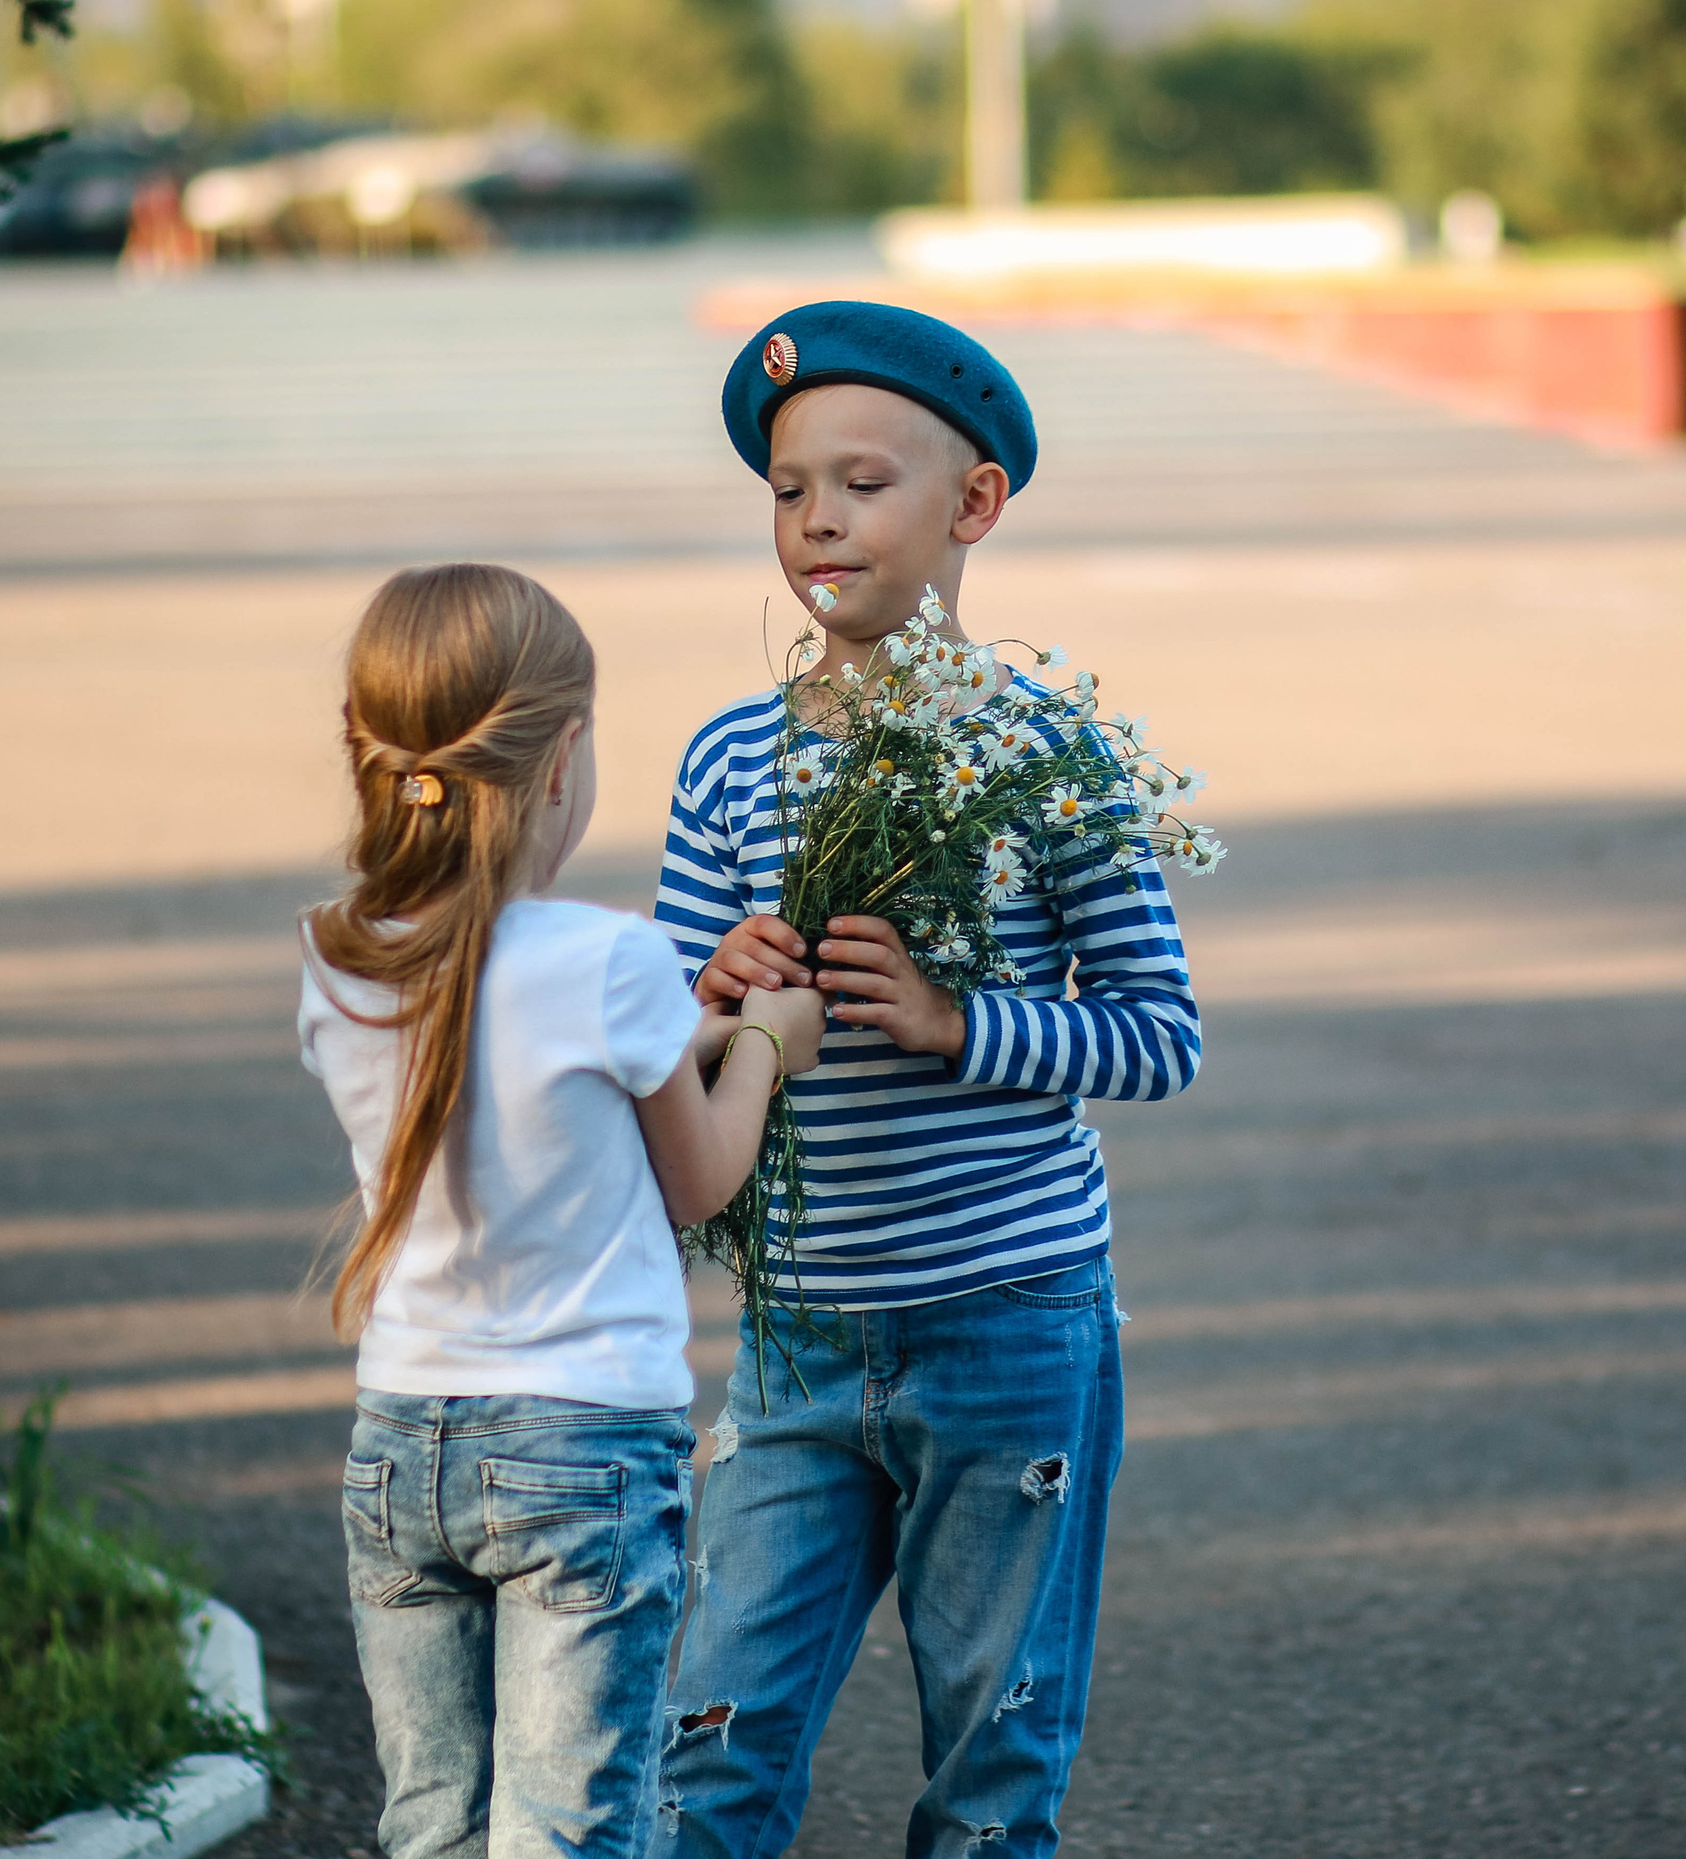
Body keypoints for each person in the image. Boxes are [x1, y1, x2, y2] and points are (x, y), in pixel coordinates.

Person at [651, 305, 1203, 1857]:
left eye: (862, 481)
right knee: (711, 1746)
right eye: (785, 488)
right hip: (798, 1337)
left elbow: (1161, 1033)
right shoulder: (725, 762)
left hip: (1010, 1327)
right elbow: (660, 1056)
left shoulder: (1052, 754)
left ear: (973, 508)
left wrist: (965, 1024)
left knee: (994, 1766)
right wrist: (713, 995)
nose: (816, 517)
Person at [298, 562, 827, 1859]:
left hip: (397, 1442)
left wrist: (678, 1022)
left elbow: (506, 1072)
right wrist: (761, 1044)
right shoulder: (612, 960)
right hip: (583, 1449)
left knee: (434, 1827)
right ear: (563, 759)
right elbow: (700, 1176)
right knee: (571, 1832)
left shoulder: (337, 951)